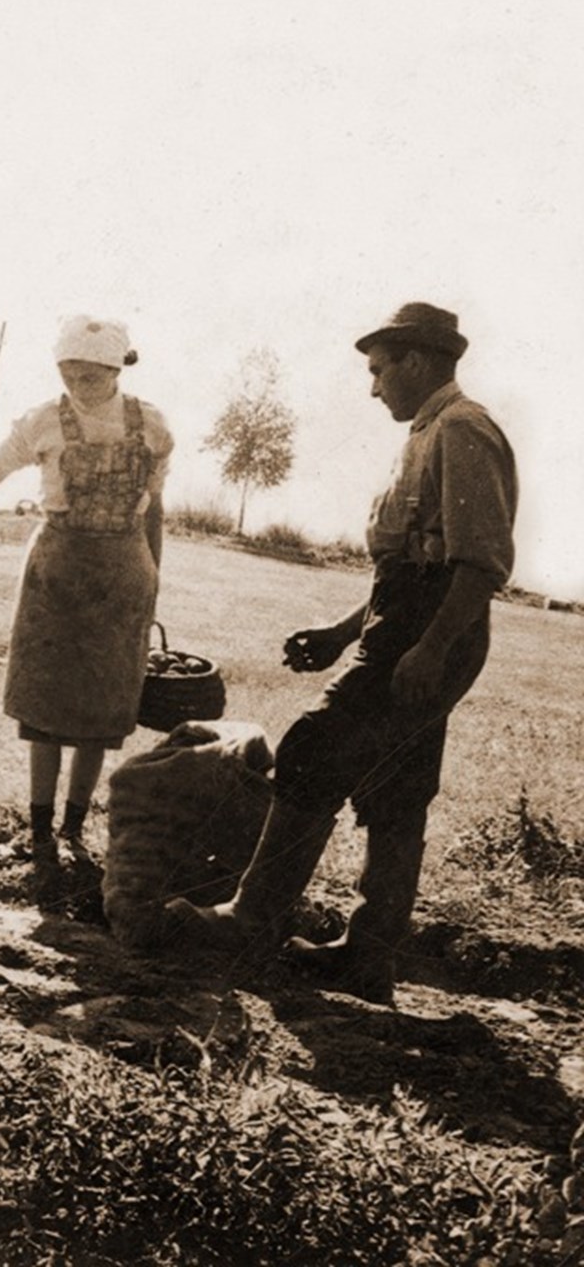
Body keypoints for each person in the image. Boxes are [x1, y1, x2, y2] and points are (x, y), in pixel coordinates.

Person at [167, 302, 517, 1003]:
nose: (373, 386)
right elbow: (410, 566)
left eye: (380, 370)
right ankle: (368, 957)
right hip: (409, 625)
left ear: (417, 361)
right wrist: (343, 632)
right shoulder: (427, 432)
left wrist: (430, 649)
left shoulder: (461, 429)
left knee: (312, 746)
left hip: (432, 630)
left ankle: (250, 920)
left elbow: (478, 565)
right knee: (398, 786)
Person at [0, 315, 173, 900]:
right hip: (57, 573)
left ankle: (73, 828)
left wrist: (153, 580)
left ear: (116, 370)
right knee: (45, 706)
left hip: (122, 575)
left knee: (102, 711)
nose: (78, 384)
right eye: (68, 373)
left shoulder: (152, 426)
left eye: (90, 375)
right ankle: (40, 830)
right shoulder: (42, 421)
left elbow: (154, 511)